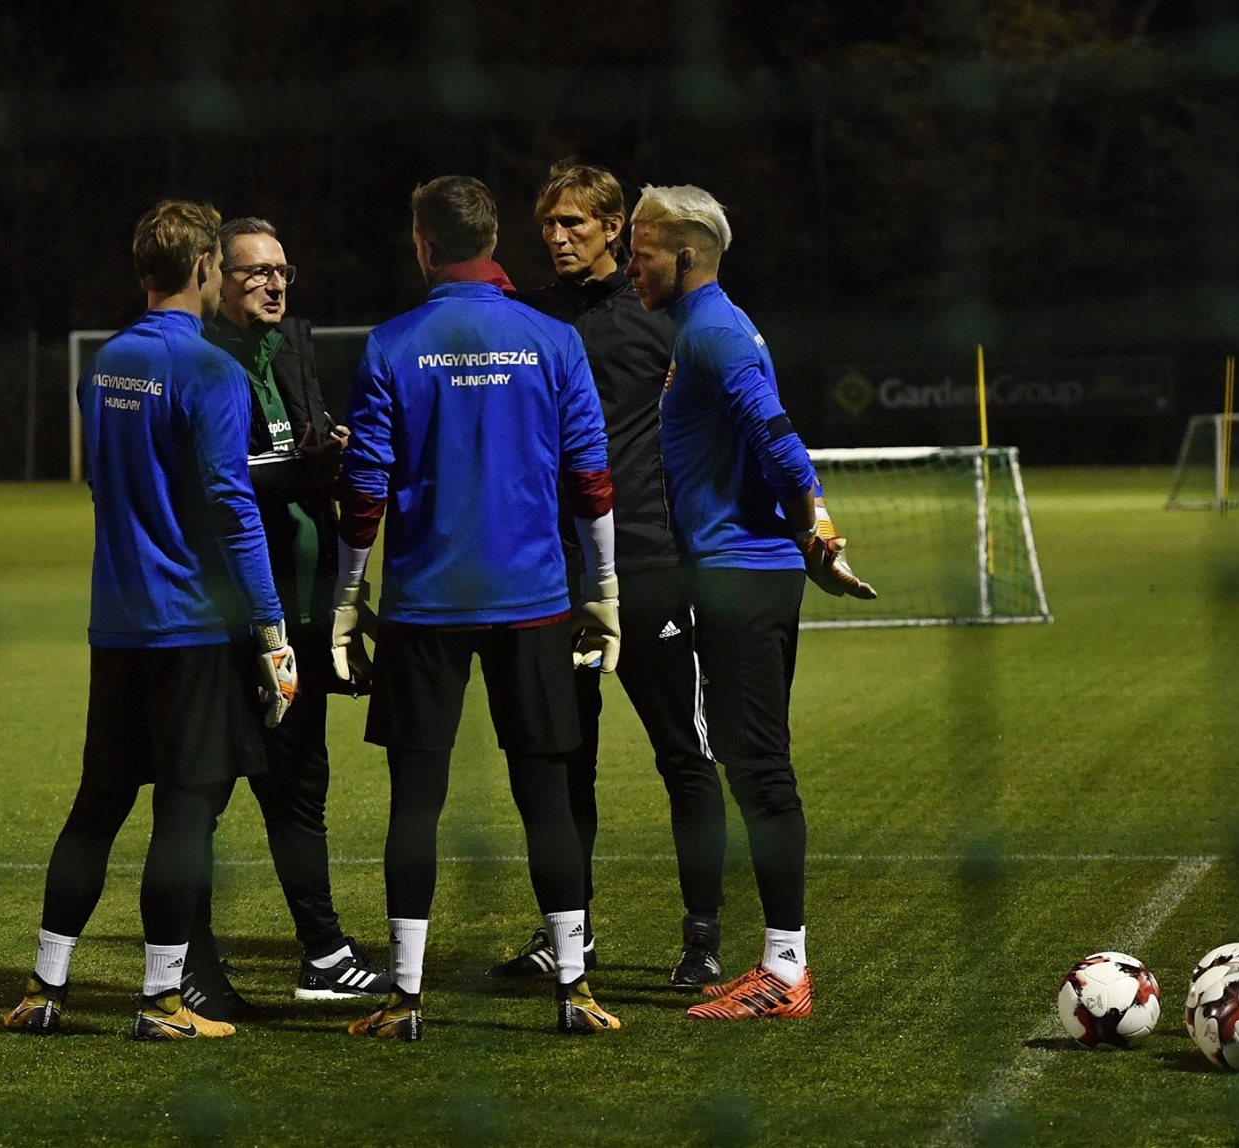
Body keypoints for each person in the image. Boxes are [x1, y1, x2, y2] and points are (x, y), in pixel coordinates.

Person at [331, 175, 622, 1040]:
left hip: (425, 604)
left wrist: (348, 597)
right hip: (533, 600)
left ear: (424, 245)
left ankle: (405, 999)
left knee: (415, 802)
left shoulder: (392, 344)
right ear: (494, 240)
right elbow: (591, 478)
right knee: (547, 796)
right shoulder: (553, 339)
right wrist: (605, 588)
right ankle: (574, 990)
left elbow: (364, 489)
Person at [2, 199, 297, 1041]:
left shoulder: (106, 364)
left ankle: (45, 990)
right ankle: (162, 1002)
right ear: (205, 268)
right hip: (193, 628)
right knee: (184, 813)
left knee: (97, 806)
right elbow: (232, 507)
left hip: (117, 625)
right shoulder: (210, 369)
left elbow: (104, 483)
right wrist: (272, 631)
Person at [625, 184, 877, 1022]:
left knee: (760, 767)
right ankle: (777, 962)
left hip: (739, 574)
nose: (632, 269)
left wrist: (816, 531)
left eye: (642, 254)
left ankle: (786, 971)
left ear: (685, 254)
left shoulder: (715, 333)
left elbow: (778, 438)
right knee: (747, 759)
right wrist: (812, 539)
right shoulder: (713, 326)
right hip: (742, 570)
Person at [488, 160, 728, 989]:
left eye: (575, 224)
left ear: (615, 228)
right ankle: (570, 934)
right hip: (551, 574)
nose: (557, 238)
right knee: (564, 760)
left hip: (650, 565)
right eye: (549, 224)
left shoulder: (664, 318)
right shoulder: (527, 321)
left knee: (684, 754)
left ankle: (703, 937)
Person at [184, 217, 387, 1018]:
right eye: (255, 272)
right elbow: (220, 484)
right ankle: (188, 964)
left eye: (281, 271)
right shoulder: (201, 361)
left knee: (301, 784)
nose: (273, 284)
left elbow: (301, 462)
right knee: (202, 794)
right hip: (228, 622)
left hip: (299, 615)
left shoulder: (289, 351)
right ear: (216, 278)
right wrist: (306, 469)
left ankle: (324, 953)